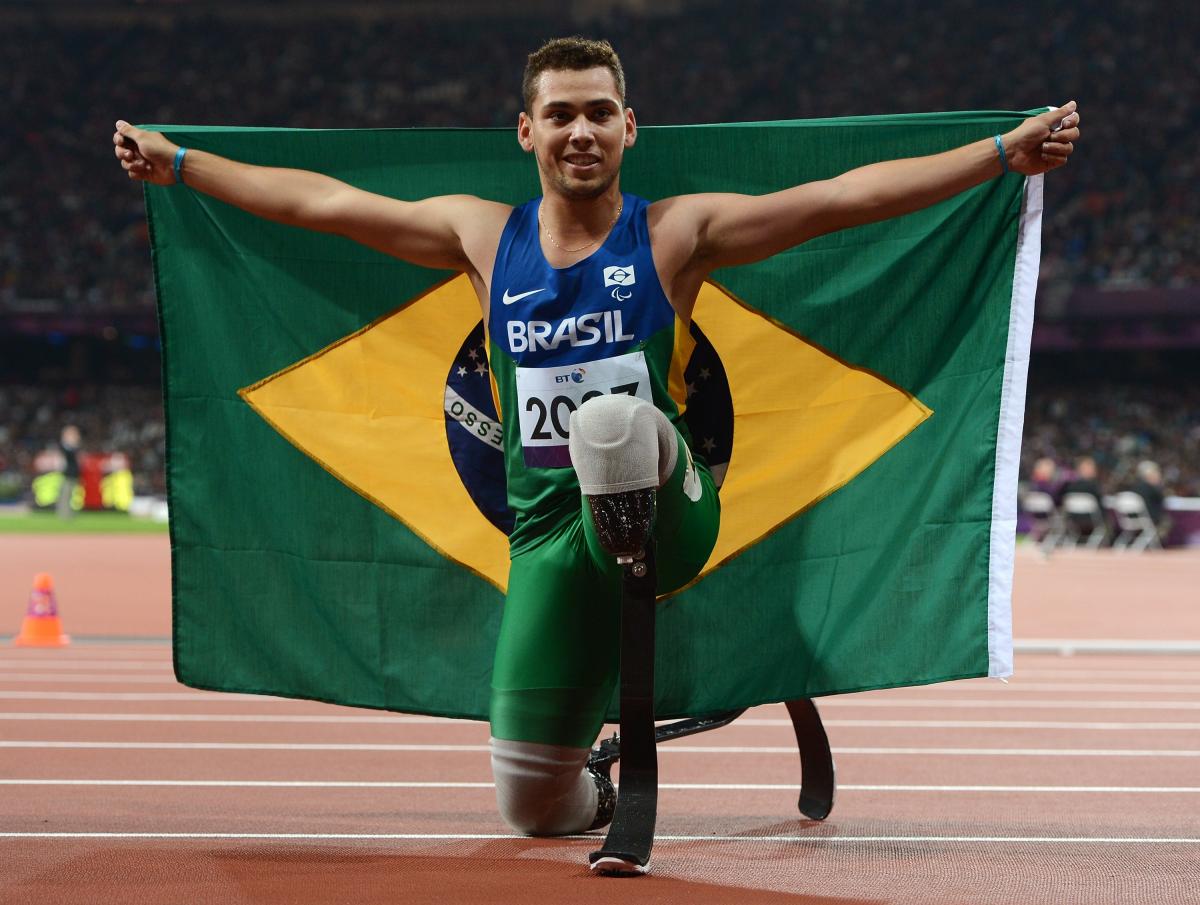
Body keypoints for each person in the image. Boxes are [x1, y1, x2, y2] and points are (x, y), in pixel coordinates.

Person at [112, 37, 1080, 850]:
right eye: (563, 112)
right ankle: (600, 783)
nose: (582, 130)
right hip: (542, 536)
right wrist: (182, 166)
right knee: (530, 807)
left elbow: (842, 199)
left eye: (601, 112)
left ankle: (630, 554)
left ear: (629, 129)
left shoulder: (675, 233)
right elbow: (316, 204)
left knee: (612, 423)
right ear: (527, 130)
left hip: (668, 507)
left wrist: (1000, 154)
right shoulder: (482, 237)